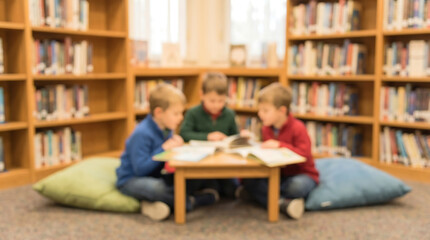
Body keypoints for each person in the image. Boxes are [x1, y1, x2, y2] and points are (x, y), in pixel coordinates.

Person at [116, 83, 218, 221]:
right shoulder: (142, 133)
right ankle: (191, 201)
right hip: (131, 180)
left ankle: (157, 204)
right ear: (159, 112)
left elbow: (165, 161)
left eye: (181, 113)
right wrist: (163, 149)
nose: (181, 118)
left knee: (190, 178)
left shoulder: (167, 127)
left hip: (157, 175)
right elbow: (140, 170)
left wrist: (178, 149)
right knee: (161, 189)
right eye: (176, 113)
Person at [238, 82, 319, 220]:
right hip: (277, 174)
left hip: (300, 174)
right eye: (260, 110)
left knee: (295, 187)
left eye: (265, 110)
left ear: (282, 110)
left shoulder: (298, 128)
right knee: (249, 180)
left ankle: (267, 199)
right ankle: (283, 204)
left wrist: (280, 145)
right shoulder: (266, 128)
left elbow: (304, 154)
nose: (260, 114)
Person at [180, 72, 239, 198]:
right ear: (202, 95)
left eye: (221, 101)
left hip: (223, 161)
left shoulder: (229, 114)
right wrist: (207, 137)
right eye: (212, 101)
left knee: (232, 188)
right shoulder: (193, 113)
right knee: (202, 183)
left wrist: (233, 139)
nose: (216, 105)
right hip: (200, 161)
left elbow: (235, 136)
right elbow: (184, 134)